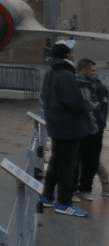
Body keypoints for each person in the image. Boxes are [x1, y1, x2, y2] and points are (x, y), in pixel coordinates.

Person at [40, 40, 96, 217]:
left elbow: (44, 96)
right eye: (71, 51)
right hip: (68, 127)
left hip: (56, 125)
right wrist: (88, 106)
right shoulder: (66, 74)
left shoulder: (50, 73)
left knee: (56, 161)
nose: (73, 54)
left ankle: (47, 196)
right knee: (67, 164)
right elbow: (72, 101)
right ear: (67, 55)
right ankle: (64, 202)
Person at [75, 59, 109, 200]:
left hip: (95, 128)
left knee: (92, 159)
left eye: (95, 70)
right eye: (93, 70)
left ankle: (86, 188)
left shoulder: (98, 86)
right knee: (77, 158)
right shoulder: (76, 85)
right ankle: (74, 187)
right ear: (83, 70)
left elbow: (104, 105)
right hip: (80, 128)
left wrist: (100, 122)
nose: (95, 73)